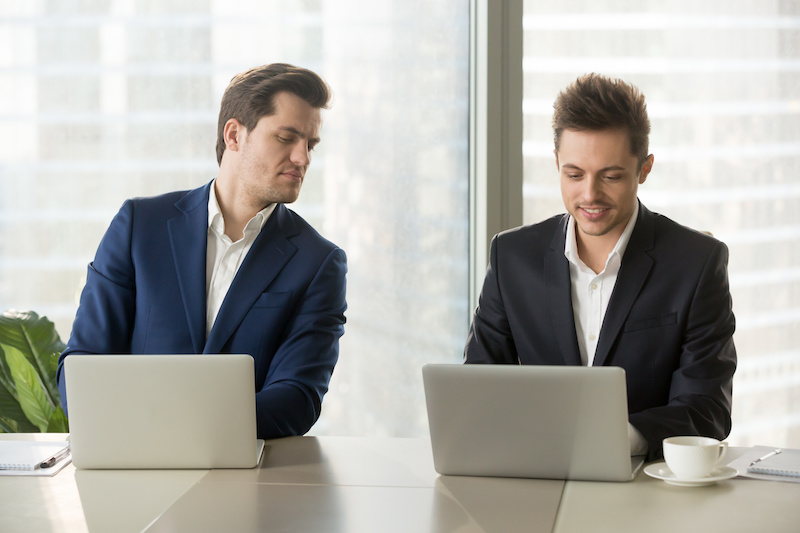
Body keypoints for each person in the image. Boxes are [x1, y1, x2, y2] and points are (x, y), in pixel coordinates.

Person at [57, 63, 347, 439]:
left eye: (310, 144)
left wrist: (176, 425)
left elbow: (297, 397)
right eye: (286, 138)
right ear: (234, 135)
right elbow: (82, 365)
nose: (303, 158)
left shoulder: (318, 262)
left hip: (247, 482)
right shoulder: (139, 226)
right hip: (134, 468)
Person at [464, 73, 736, 460]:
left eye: (611, 176)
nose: (590, 194)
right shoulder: (511, 257)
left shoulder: (697, 263)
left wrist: (619, 439)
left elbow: (708, 409)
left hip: (646, 489)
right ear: (556, 162)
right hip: (536, 477)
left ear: (644, 169)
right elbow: (478, 387)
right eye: (574, 174)